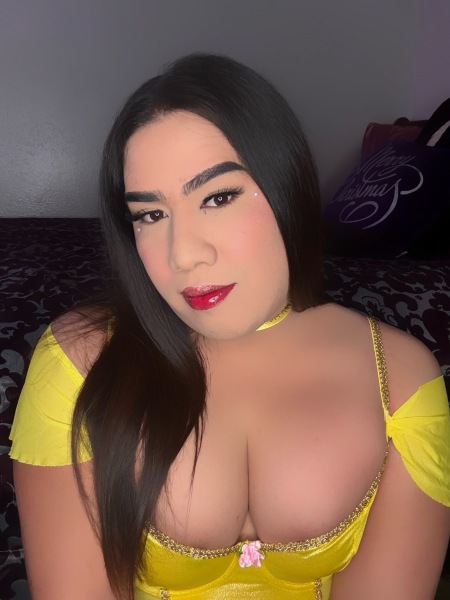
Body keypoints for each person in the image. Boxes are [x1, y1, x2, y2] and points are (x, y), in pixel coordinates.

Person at [10, 54, 450, 600]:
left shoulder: (401, 379)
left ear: (286, 183)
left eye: (218, 197)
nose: (183, 254)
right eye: (150, 214)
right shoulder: (78, 362)